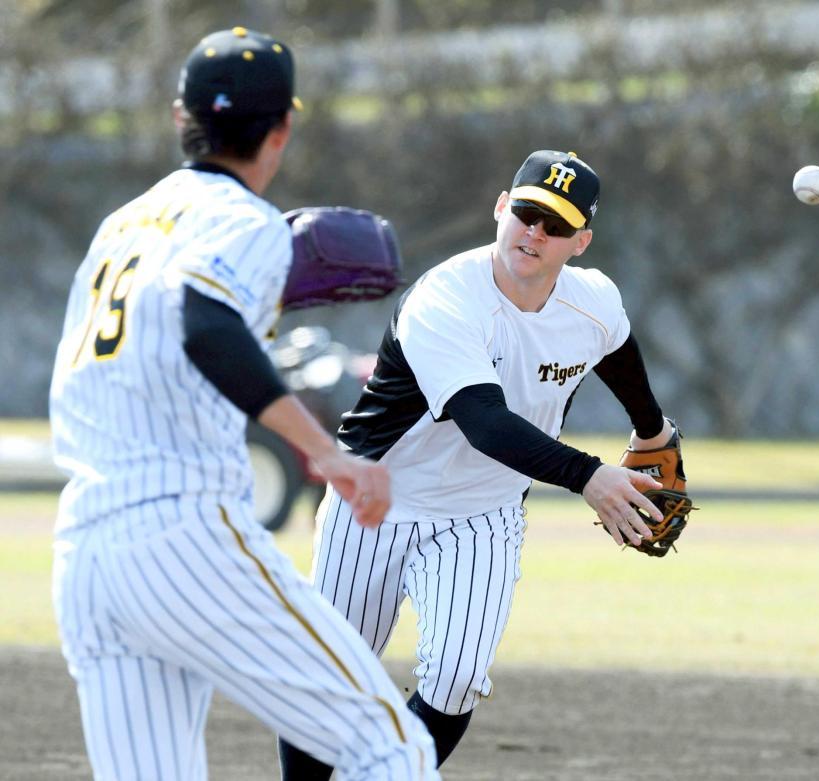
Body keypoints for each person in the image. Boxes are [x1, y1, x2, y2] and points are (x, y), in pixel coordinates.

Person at [49, 27, 437, 780]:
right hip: (180, 530)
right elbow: (206, 323)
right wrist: (323, 449)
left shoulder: (119, 229)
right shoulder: (247, 224)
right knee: (390, 746)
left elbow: (175, 328)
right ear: (282, 129)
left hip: (86, 549)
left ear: (179, 117)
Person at [278, 149, 675, 777]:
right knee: (333, 680)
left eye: (557, 225)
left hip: (481, 515)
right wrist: (588, 476)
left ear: (581, 243)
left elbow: (618, 348)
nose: (536, 233)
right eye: (527, 213)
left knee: (457, 679)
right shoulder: (447, 300)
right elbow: (485, 423)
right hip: (376, 500)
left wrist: (653, 430)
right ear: (501, 208)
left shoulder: (593, 300)